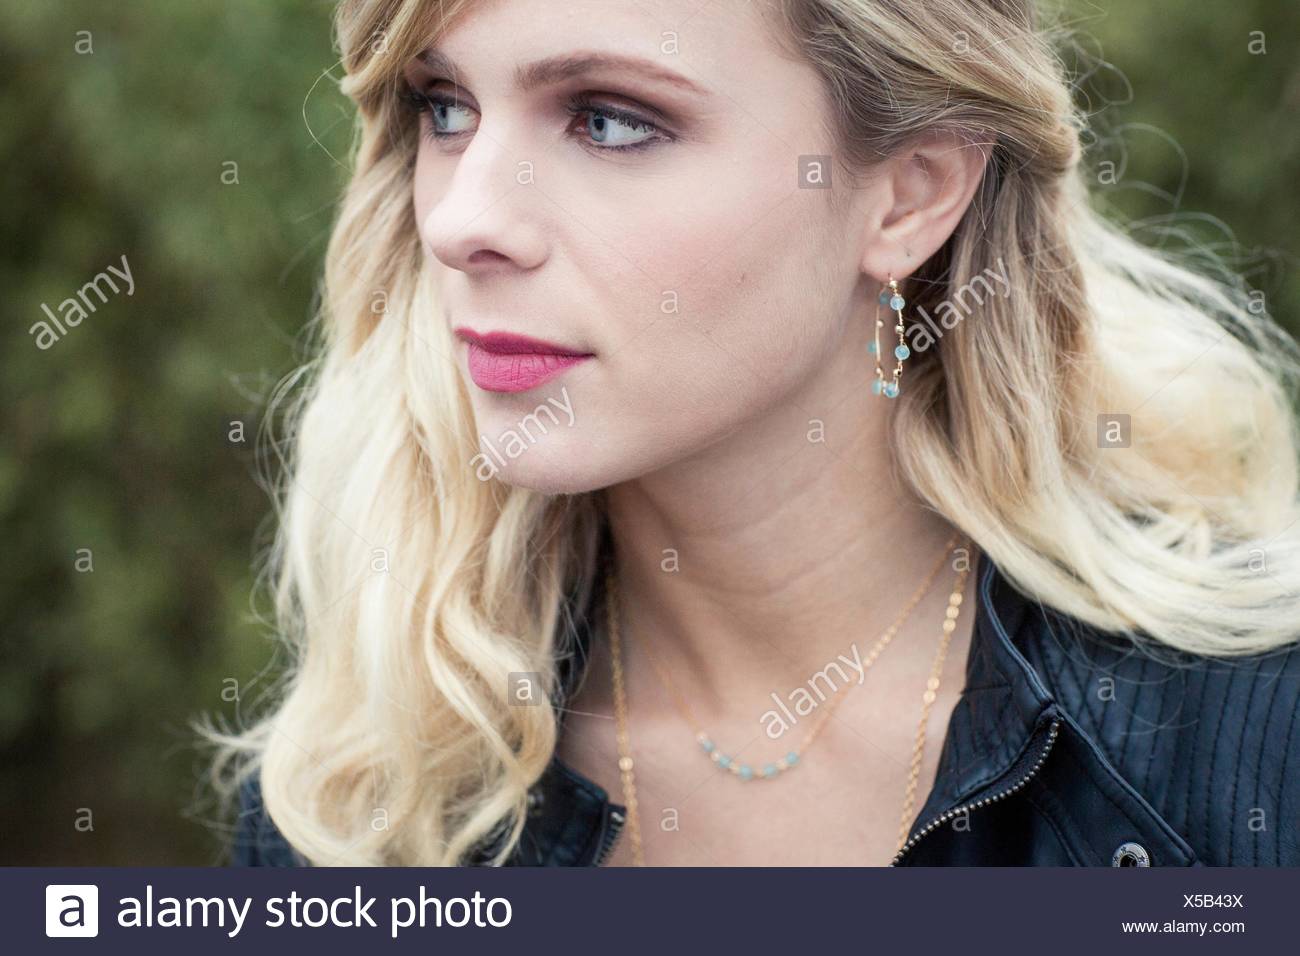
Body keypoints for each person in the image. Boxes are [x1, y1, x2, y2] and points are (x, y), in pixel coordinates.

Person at [208, 0, 1300, 867]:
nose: (462, 219)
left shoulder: (1247, 754)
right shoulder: (367, 798)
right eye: (444, 107)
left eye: (608, 118)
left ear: (909, 194)